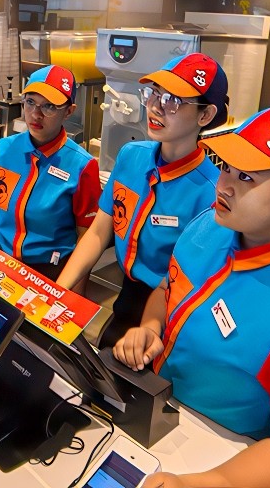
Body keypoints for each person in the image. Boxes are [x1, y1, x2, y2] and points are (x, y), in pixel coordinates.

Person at [115, 105, 270, 488]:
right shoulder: (210, 224)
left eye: (246, 177)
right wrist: (149, 327)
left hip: (222, 457)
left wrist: (199, 483)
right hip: (154, 419)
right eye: (226, 166)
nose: (223, 185)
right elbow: (167, 288)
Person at [58, 54, 228, 346]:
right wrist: (57, 291)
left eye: (173, 101)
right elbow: (99, 233)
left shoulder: (211, 193)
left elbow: (189, 280)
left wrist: (150, 330)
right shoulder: (131, 156)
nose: (155, 107)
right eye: (154, 94)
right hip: (127, 299)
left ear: (205, 116)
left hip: (171, 318)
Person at [0, 66, 101, 284]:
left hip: (49, 274)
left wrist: (72, 296)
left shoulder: (82, 166)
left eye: (49, 106)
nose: (36, 114)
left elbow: (86, 238)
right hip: (0, 262)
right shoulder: (3, 150)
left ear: (69, 111)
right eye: (30, 102)